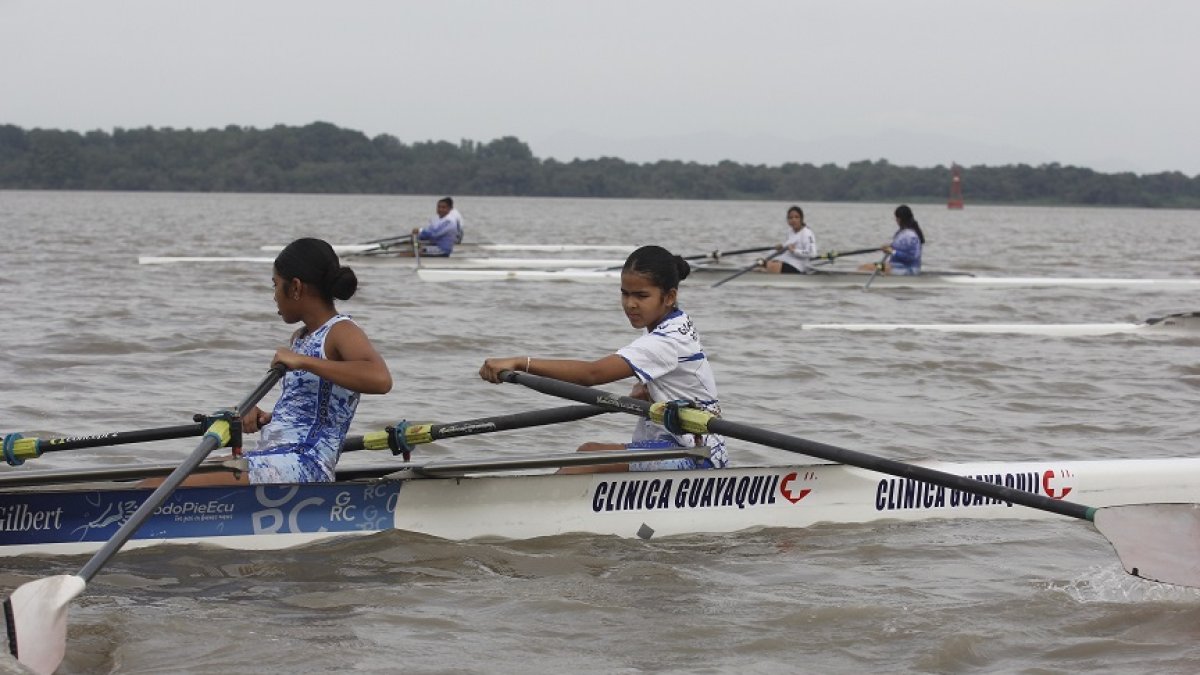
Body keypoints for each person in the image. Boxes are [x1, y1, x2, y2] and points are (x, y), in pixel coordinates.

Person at [478, 245, 728, 473]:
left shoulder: (665, 340)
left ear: (669, 297)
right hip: (678, 441)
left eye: (641, 296)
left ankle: (535, 514)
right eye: (625, 294)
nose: (630, 304)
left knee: (589, 456)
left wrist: (521, 363)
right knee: (588, 452)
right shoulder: (674, 321)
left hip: (699, 456)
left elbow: (591, 375)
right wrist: (652, 390)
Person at [860, 204, 926, 275]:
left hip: (908, 269)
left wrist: (892, 251)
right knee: (864, 267)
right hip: (897, 266)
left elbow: (910, 257)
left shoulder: (910, 236)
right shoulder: (902, 233)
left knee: (865, 268)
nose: (896, 220)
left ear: (899, 219)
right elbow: (897, 249)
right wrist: (888, 247)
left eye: (896, 218)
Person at [764, 205, 817, 274]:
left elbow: (812, 253)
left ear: (801, 219)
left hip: (799, 266)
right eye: (790, 218)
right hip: (788, 261)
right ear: (788, 220)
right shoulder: (790, 232)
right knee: (761, 262)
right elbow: (788, 248)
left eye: (796, 217)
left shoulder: (807, 233)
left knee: (772, 265)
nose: (793, 220)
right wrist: (780, 248)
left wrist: (794, 251)